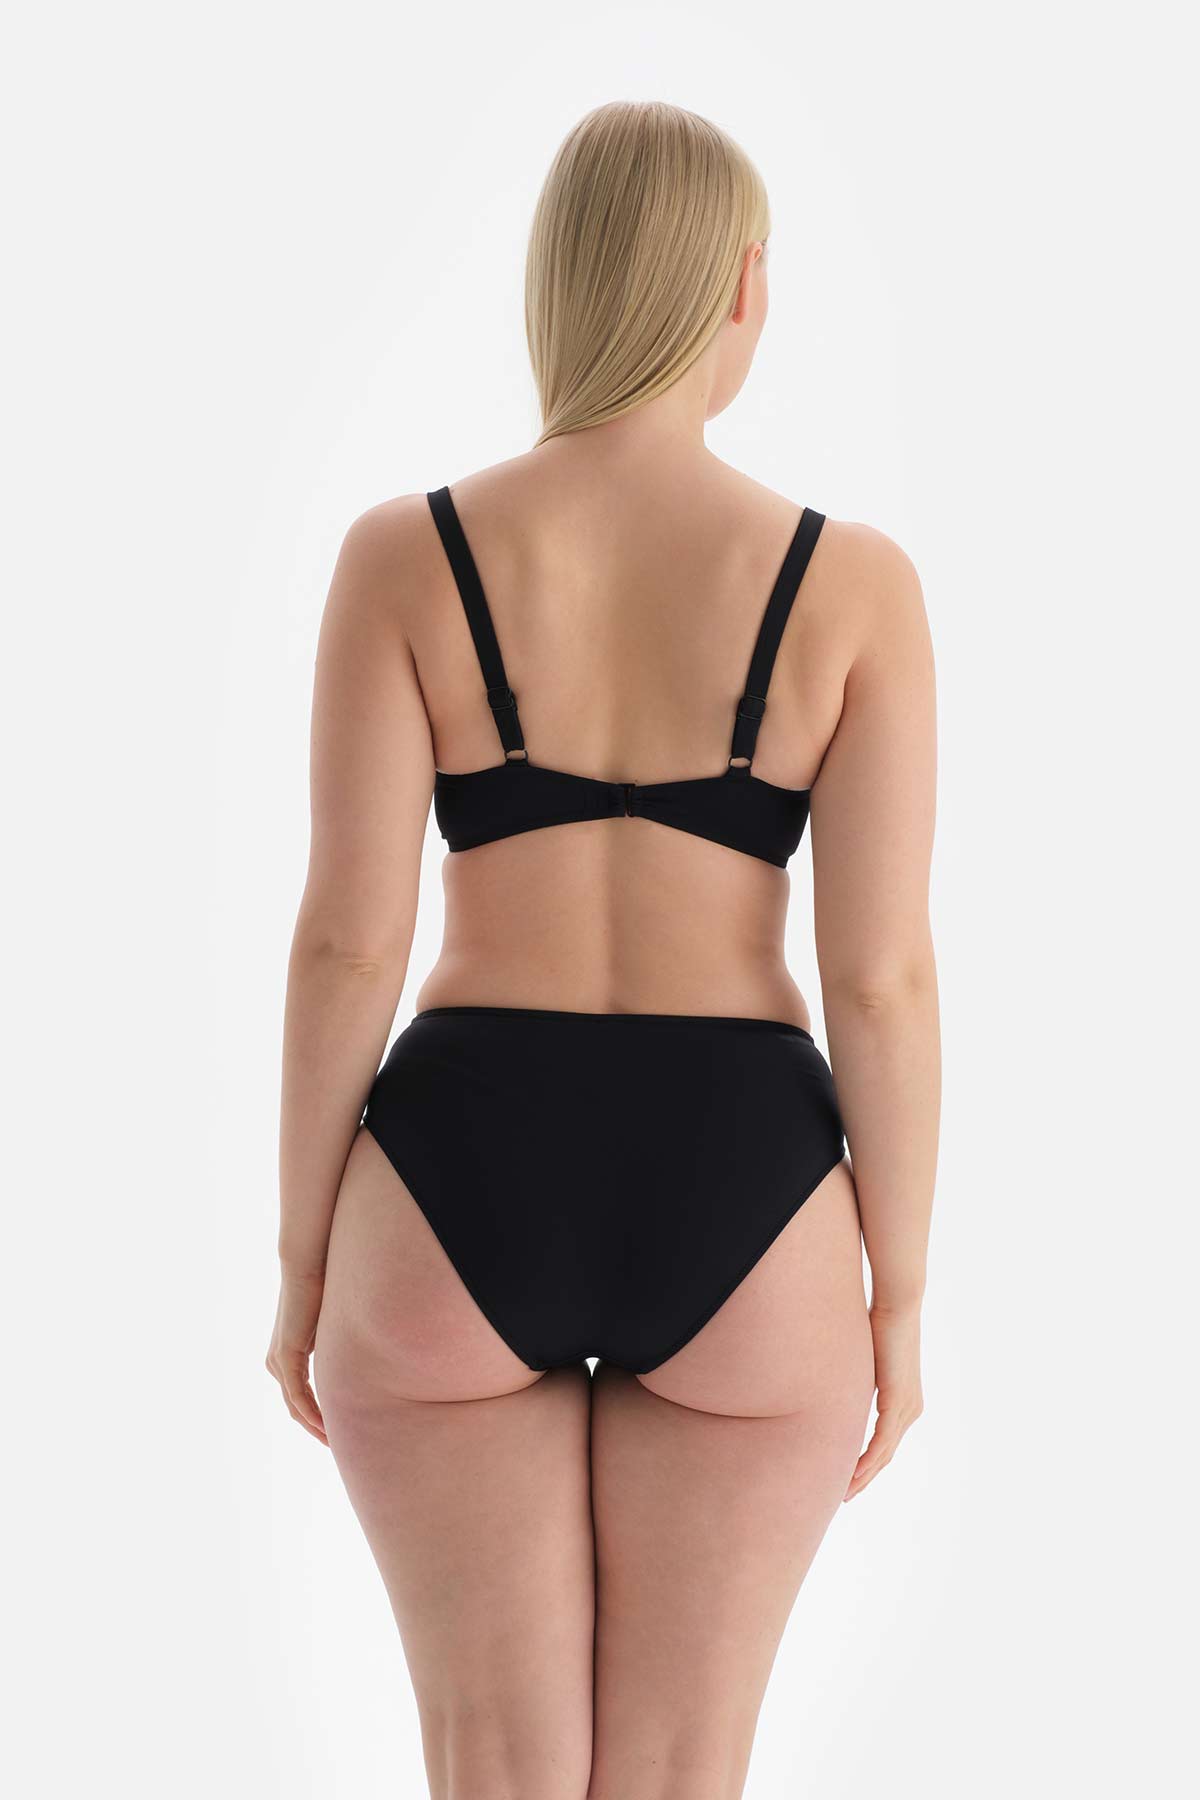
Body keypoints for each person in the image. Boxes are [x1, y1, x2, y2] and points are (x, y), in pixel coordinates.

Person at [266, 98, 939, 1800]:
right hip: (746, 1178)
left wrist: (302, 1267)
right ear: (743, 288)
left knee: (493, 1773)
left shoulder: (404, 558)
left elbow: (348, 943)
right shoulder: (852, 588)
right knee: (676, 1774)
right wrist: (901, 1299)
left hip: (458, 1169)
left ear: (556, 285)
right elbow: (881, 982)